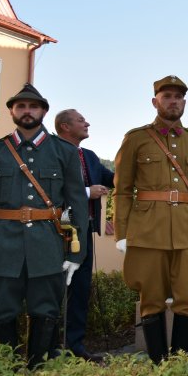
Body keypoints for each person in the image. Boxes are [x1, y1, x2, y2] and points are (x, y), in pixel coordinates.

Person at [0, 83, 89, 368]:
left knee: (46, 311)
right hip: (2, 247)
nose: (27, 111)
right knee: (0, 314)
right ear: (11, 111)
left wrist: (75, 254)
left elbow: (78, 208)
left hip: (47, 246)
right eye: (20, 106)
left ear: (44, 111)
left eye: (33, 106)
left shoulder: (64, 152)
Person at [113, 75, 188, 364]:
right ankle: (158, 368)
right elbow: (121, 190)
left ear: (184, 102)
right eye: (167, 96)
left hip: (187, 229)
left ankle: (180, 366)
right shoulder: (136, 139)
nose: (173, 101)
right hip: (147, 230)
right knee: (151, 299)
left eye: (178, 97)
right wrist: (121, 232)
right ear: (155, 101)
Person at [54, 109, 114, 362]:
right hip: (59, 231)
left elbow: (113, 179)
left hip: (85, 230)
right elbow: (50, 188)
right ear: (65, 126)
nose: (87, 122)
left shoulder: (88, 156)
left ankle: (75, 347)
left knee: (80, 290)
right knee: (56, 289)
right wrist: (87, 191)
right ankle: (50, 349)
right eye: (81, 120)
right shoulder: (51, 151)